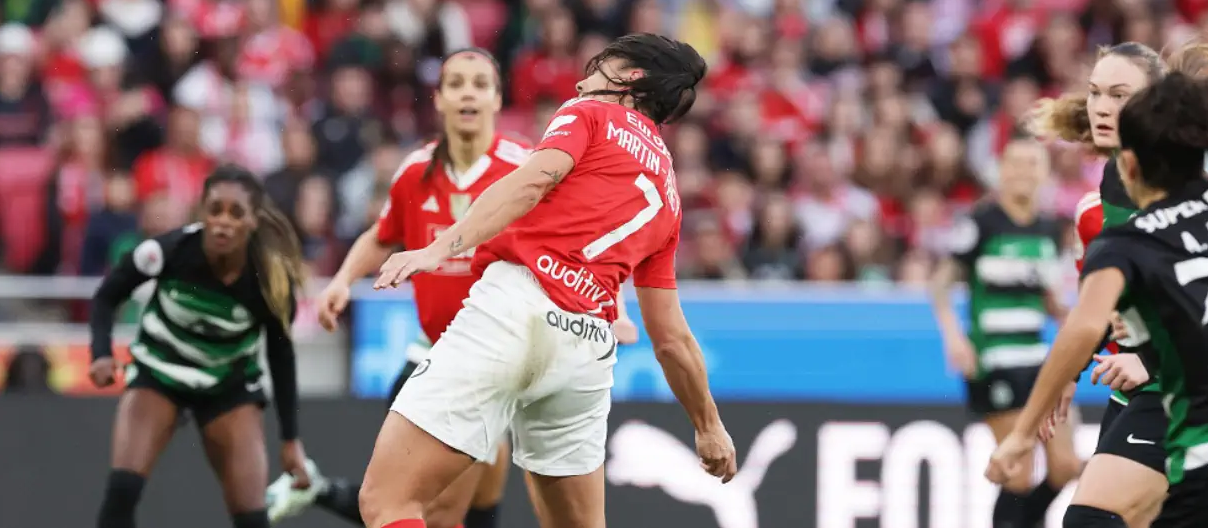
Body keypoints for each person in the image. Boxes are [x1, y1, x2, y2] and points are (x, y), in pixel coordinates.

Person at [337, 33, 736, 528]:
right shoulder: (670, 194)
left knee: (388, 503)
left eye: (601, 65)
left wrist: (442, 247)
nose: (581, 78)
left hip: (515, 309)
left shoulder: (589, 113)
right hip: (587, 347)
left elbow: (534, 180)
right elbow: (671, 338)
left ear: (631, 78)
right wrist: (708, 426)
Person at [266, 48, 642, 527]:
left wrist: (620, 309)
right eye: (457, 83)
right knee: (428, 508)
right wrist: (341, 280)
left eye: (480, 84)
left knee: (450, 504)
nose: (468, 93)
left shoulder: (527, 167)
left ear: (497, 99)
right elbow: (382, 235)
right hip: (434, 355)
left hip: (499, 356)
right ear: (439, 100)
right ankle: (320, 489)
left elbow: (586, 242)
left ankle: (318, 489)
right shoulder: (415, 171)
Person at [987, 66, 1208, 528]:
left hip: (1174, 388)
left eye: (1119, 94)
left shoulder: (1132, 228)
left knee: (1094, 519)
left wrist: (1023, 434)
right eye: (1094, 93)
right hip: (1142, 390)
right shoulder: (1103, 205)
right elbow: (1100, 316)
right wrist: (1076, 370)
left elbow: (1088, 320)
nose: (1102, 106)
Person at [88, 164, 311, 528]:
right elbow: (106, 296)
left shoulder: (270, 281)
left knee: (253, 519)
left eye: (236, 213)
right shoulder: (168, 250)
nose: (223, 221)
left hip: (228, 387)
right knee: (122, 493)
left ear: (253, 221)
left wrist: (290, 439)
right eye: (215, 209)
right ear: (201, 212)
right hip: (159, 373)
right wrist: (100, 353)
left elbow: (281, 356)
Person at [930, 136, 1081, 528]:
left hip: (1038, 359)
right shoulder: (980, 223)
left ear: (1044, 172)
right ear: (1000, 171)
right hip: (993, 358)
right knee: (1018, 469)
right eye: (1013, 163)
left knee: (1065, 466)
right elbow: (940, 284)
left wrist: (1070, 315)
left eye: (1031, 163)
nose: (1021, 172)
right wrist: (953, 336)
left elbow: (1046, 297)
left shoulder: (1050, 230)